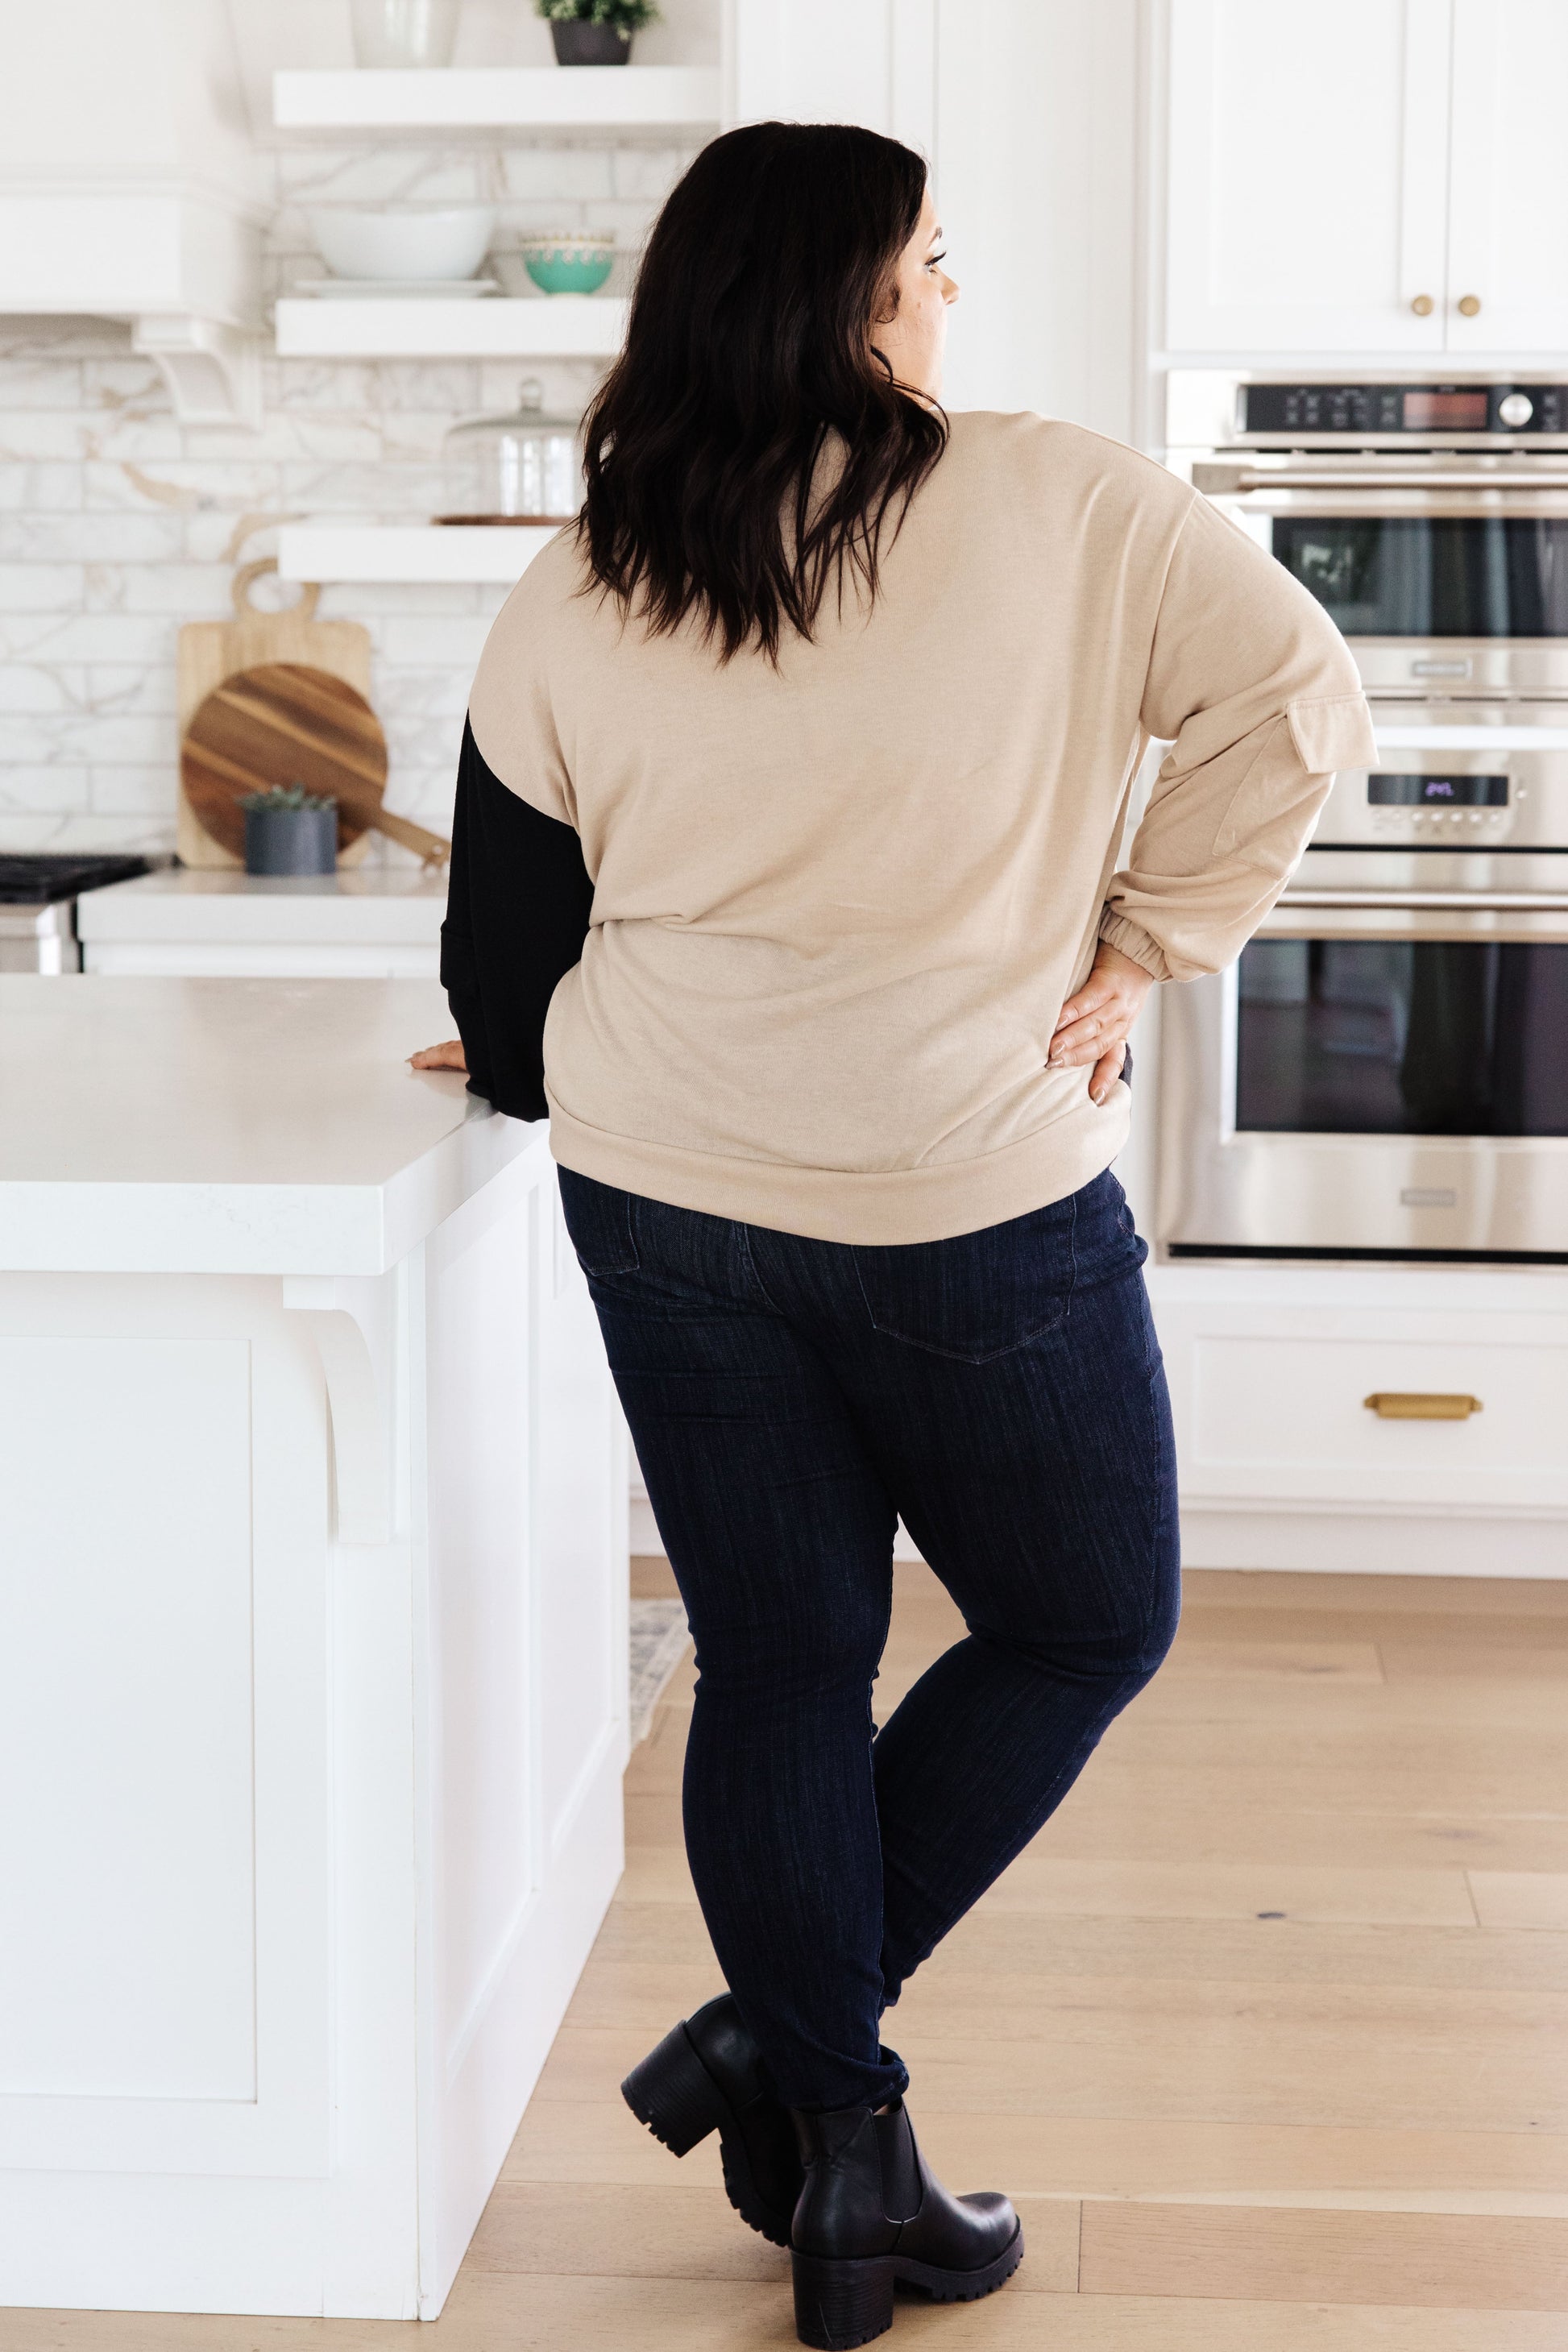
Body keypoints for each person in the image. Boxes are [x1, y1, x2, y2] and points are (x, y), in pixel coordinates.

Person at [412, 120, 1375, 2351]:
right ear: (857, 298)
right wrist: (1143, 940)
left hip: (662, 1189)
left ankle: (826, 2116)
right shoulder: (1064, 502)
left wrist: (545, 1058)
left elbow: (503, 957)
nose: (953, 295)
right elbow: (1297, 704)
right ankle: (803, 2090)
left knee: (775, 1663)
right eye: (932, 261)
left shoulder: (582, 572)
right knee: (1074, 1625)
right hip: (965, 1187)